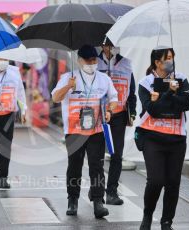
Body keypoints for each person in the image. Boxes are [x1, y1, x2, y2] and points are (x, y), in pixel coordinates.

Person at [51, 45, 118, 219]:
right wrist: (67, 87)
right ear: (79, 61)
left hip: (96, 130)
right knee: (75, 166)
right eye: (88, 61)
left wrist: (110, 110)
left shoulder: (104, 79)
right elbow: (55, 98)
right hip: (74, 130)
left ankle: (98, 202)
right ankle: (72, 199)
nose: (91, 64)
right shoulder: (68, 77)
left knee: (96, 166)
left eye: (94, 60)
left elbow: (114, 99)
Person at [138, 48, 189, 230]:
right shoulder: (146, 83)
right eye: (167, 58)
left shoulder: (181, 79)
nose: (171, 61)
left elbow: (188, 103)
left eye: (172, 58)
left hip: (177, 139)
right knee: (155, 180)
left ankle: (167, 221)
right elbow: (151, 110)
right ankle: (147, 215)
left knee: (173, 182)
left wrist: (168, 95)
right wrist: (169, 94)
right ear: (157, 62)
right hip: (152, 138)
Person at [96, 41, 137, 205]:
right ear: (101, 45)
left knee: (117, 154)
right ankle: (97, 191)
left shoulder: (126, 64)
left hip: (118, 115)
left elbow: (131, 92)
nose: (110, 48)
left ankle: (111, 191)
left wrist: (132, 112)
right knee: (97, 155)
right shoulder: (94, 62)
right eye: (107, 44)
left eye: (113, 44)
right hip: (98, 114)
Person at [0, 57, 27, 189]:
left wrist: (23, 110)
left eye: (5, 58)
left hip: (8, 114)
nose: (3, 61)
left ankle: (3, 177)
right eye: (0, 58)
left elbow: (20, 92)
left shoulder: (14, 71)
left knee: (6, 147)